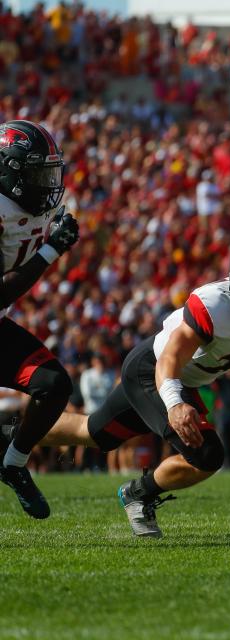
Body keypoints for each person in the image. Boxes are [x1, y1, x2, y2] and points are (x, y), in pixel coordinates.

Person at [2, 242, 230, 537]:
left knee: (95, 433)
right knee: (207, 454)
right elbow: (169, 360)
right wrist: (175, 404)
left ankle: (11, 435)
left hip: (185, 379)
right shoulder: (213, 307)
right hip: (154, 372)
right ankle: (139, 494)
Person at [0, 120, 79, 519]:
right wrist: (51, 251)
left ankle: (12, 462)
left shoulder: (28, 205)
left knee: (53, 384)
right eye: (35, 172)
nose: (46, 183)